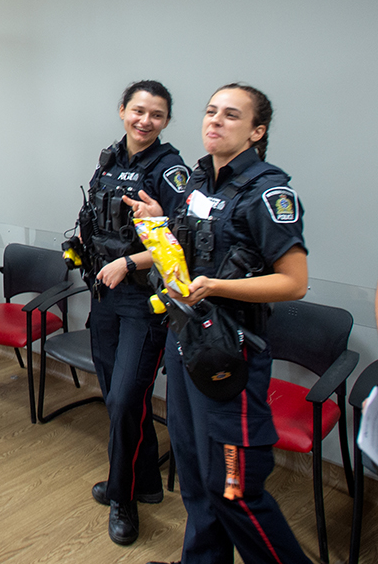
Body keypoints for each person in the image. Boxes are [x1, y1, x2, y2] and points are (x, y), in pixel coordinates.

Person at [127, 83, 311, 564]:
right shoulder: (195, 181)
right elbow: (186, 258)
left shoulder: (268, 192)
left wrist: (216, 287)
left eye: (231, 115)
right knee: (195, 477)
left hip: (233, 352)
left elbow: (294, 283)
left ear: (256, 131)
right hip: (187, 341)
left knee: (233, 490)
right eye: (211, 111)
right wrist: (157, 226)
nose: (215, 120)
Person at [73, 80, 189, 546]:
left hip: (143, 300)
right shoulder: (108, 161)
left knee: (124, 399)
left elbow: (179, 242)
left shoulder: (171, 170)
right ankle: (147, 480)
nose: (145, 121)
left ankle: (123, 499)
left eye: (156, 115)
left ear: (164, 122)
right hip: (104, 294)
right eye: (138, 110)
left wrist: (128, 262)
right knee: (117, 396)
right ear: (122, 110)